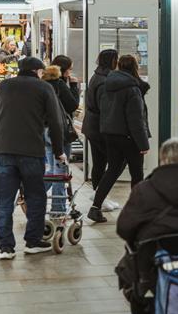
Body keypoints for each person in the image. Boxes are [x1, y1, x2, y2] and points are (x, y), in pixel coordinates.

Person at [0, 56, 65, 259]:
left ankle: (5, 248)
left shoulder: (3, 86)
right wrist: (59, 151)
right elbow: (56, 123)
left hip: (3, 151)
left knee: (4, 201)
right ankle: (33, 242)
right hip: (31, 151)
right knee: (35, 197)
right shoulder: (44, 88)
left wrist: (2, 141)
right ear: (37, 71)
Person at [88, 55, 150, 224]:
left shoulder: (108, 83)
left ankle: (95, 207)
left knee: (112, 170)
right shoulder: (132, 89)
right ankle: (136, 211)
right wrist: (143, 143)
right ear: (135, 67)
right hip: (129, 137)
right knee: (137, 174)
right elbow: (136, 119)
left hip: (110, 134)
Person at [81, 48, 120, 212]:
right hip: (100, 127)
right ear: (112, 61)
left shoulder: (96, 75)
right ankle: (100, 198)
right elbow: (104, 106)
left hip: (91, 125)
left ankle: (98, 195)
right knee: (113, 164)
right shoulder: (105, 80)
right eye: (116, 59)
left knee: (99, 163)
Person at [41, 58, 80, 214]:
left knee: (52, 169)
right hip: (58, 131)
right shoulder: (60, 84)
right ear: (64, 70)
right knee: (60, 172)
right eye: (70, 69)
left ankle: (31, 195)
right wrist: (74, 86)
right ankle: (58, 208)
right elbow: (73, 105)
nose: (71, 72)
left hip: (44, 130)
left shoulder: (43, 83)